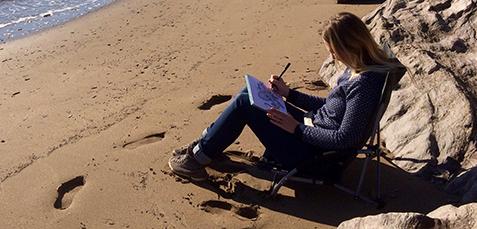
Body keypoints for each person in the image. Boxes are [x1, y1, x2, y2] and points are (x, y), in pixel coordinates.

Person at [168, 12, 401, 182]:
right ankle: (206, 144)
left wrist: (296, 129)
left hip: (316, 158)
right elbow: (330, 107)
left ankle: (196, 160)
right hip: (312, 137)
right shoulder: (361, 69)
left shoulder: (364, 84)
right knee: (249, 92)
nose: (332, 57)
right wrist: (288, 94)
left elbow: (345, 140)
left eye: (333, 51)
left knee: (243, 103)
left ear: (349, 45)